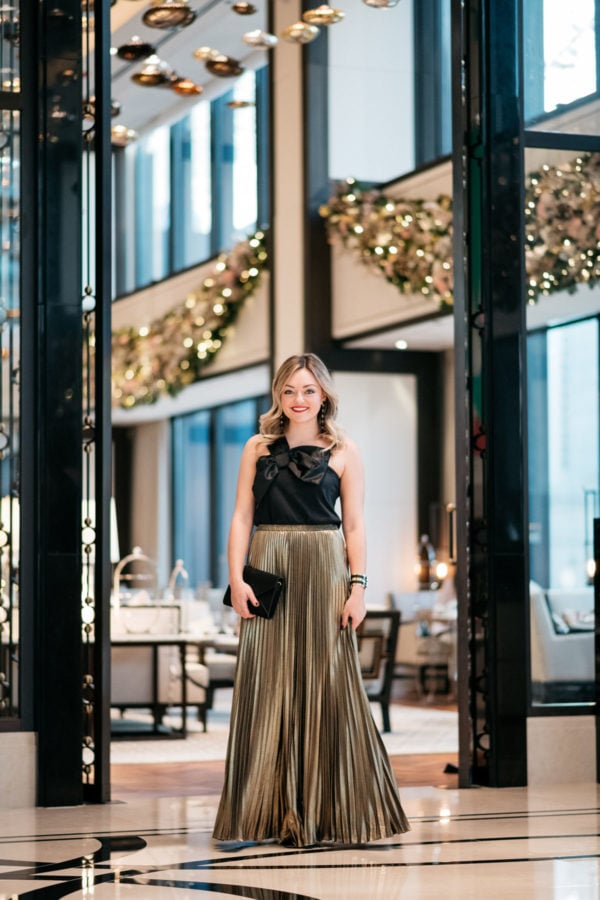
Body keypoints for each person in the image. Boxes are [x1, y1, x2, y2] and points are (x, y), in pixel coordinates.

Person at [213, 353, 409, 847]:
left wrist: (358, 588)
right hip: (268, 565)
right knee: (265, 682)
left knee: (329, 681)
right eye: (289, 390)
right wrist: (235, 579)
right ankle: (260, 814)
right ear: (278, 396)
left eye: (308, 390)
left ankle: (334, 810)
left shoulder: (344, 451)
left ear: (323, 395)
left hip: (324, 568)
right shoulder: (257, 447)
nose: (298, 400)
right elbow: (241, 516)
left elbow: (355, 526)